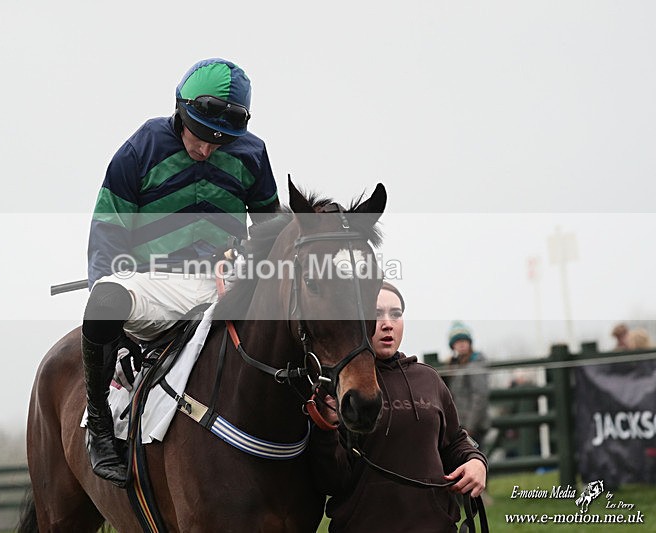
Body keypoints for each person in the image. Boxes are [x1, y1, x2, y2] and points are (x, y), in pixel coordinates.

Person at [82, 58, 279, 485]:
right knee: (105, 298)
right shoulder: (141, 148)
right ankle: (99, 423)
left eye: (220, 142)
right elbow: (107, 235)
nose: (207, 149)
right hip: (154, 285)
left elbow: (270, 233)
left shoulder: (253, 153)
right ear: (180, 109)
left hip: (223, 285)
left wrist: (245, 258)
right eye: (201, 135)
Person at [309, 282, 487, 532]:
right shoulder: (340, 387)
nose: (387, 323)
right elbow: (331, 480)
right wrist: (325, 429)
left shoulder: (428, 379)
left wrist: (475, 461)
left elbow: (455, 441)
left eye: (396, 314)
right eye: (376, 314)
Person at [447, 321, 491, 448]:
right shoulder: (456, 365)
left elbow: (480, 395)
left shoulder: (475, 363)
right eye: (457, 341)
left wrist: (470, 427)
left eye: (464, 340)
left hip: (472, 426)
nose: (461, 344)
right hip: (463, 424)